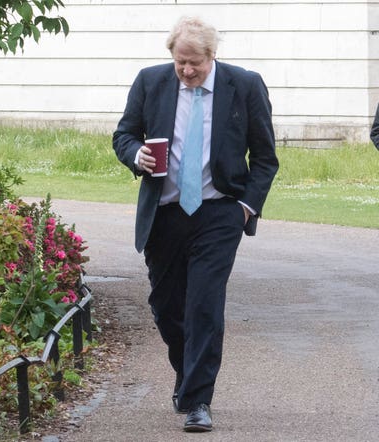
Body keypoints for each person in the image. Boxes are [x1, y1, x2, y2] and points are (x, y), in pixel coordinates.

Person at [112, 16, 278, 432]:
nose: (187, 71)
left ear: (212, 56)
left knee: (204, 303)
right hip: (165, 214)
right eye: (180, 62)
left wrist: (245, 207)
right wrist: (136, 156)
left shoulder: (244, 85)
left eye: (195, 64)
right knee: (167, 307)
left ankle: (199, 399)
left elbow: (264, 157)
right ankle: (187, 376)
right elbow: (124, 135)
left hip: (219, 212)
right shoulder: (151, 82)